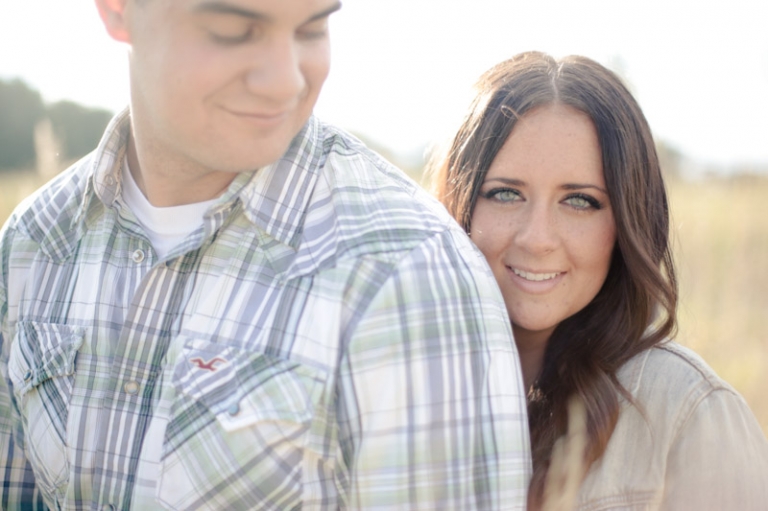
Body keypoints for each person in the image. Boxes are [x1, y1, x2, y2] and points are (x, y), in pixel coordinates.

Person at [0, 1, 532, 508]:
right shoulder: (34, 240)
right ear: (118, 9)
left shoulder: (409, 272)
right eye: (234, 29)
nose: (286, 81)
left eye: (311, 28)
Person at [429, 51, 768, 510]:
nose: (538, 238)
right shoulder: (402, 386)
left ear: (628, 221)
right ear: (458, 205)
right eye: (506, 193)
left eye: (580, 201)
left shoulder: (689, 411)